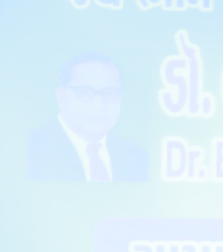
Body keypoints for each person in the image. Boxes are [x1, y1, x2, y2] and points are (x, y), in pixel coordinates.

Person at [27, 54, 149, 182]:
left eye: (110, 93)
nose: (98, 104)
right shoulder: (30, 151)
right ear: (61, 96)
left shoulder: (138, 158)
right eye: (84, 92)